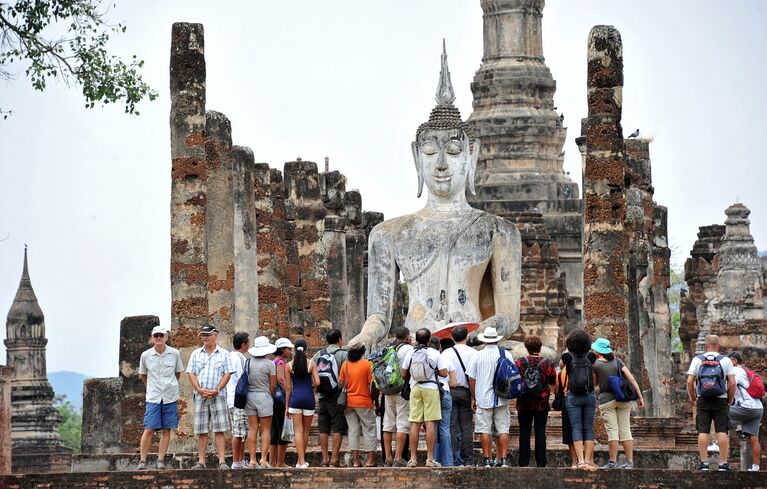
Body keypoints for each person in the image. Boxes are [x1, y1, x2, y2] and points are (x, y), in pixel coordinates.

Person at [186, 325, 235, 470]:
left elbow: (228, 373)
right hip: (201, 396)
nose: (205, 337)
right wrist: (199, 389)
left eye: (207, 334)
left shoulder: (224, 354)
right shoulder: (196, 354)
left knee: (220, 429)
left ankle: (222, 461)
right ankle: (201, 462)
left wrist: (217, 389)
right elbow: (191, 373)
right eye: (203, 335)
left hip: (218, 395)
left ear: (216, 335)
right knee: (201, 430)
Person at [591, 338, 644, 469]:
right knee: (626, 430)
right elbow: (631, 379)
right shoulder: (618, 361)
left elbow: (595, 383)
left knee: (612, 432)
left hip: (606, 400)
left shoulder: (596, 365)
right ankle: (630, 462)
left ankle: (613, 462)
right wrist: (640, 397)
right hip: (623, 399)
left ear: (598, 351)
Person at [137, 325, 184, 470]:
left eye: (161, 336)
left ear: (166, 338)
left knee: (166, 429)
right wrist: (152, 387)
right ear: (152, 338)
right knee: (149, 428)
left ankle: (160, 459)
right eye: (156, 336)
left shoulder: (175, 353)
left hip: (170, 396)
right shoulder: (145, 355)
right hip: (153, 396)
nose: (158, 338)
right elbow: (143, 375)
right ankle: (143, 460)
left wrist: (169, 386)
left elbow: (177, 373)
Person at [686, 334, 736, 471]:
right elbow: (732, 383)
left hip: (703, 399)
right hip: (721, 399)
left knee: (703, 431)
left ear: (706, 346)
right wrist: (730, 399)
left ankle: (704, 463)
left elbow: (690, 381)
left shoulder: (697, 360)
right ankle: (723, 463)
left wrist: (693, 398)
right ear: (718, 346)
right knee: (722, 431)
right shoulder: (726, 360)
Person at [467, 326, 513, 467]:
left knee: (484, 429)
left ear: (484, 340)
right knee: (503, 429)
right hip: (502, 397)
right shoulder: (506, 354)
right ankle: (503, 459)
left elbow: (472, 378)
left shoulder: (478, 355)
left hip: (483, 397)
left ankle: (487, 459)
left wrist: (473, 397)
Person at [401, 328, 448, 467]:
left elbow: (403, 373)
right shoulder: (434, 353)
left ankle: (413, 459)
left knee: (414, 423)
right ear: (429, 340)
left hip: (415, 388)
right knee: (430, 423)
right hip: (431, 388)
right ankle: (430, 459)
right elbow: (444, 373)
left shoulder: (411, 352)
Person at [515, 335, 557, 467]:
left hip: (524, 402)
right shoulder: (547, 363)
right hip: (542, 402)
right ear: (540, 347)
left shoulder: (520, 362)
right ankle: (541, 462)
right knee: (540, 432)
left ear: (526, 348)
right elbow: (552, 380)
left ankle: (523, 462)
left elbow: (515, 380)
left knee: (524, 432)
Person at [560, 329, 597, 470]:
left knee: (576, 427)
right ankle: (588, 460)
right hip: (589, 395)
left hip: (573, 396)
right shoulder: (591, 357)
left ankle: (580, 461)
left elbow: (561, 363)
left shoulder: (568, 358)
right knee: (588, 428)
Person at [441, 324, 477, 466]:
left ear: (452, 338)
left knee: (451, 427)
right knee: (466, 426)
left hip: (450, 391)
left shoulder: (446, 353)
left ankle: (453, 460)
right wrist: (474, 397)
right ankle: (468, 460)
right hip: (467, 391)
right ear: (467, 337)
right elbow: (474, 377)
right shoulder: (474, 353)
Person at [311, 328, 348, 467]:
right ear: (340, 340)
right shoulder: (343, 355)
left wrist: (317, 388)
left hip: (322, 396)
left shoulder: (318, 355)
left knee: (323, 428)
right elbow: (346, 377)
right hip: (337, 397)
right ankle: (334, 459)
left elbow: (312, 373)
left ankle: (325, 458)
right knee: (338, 427)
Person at [338, 345, 378, 467]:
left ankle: (355, 461)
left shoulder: (346, 365)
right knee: (369, 429)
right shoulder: (367, 364)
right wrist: (373, 399)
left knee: (353, 430)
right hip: (364, 401)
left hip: (349, 402)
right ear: (362, 353)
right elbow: (373, 384)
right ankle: (370, 460)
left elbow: (341, 383)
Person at [382, 326, 414, 467]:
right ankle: (398, 457)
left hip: (388, 391)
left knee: (388, 425)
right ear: (407, 337)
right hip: (402, 391)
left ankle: (388, 458)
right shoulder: (408, 349)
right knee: (402, 424)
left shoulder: (390, 348)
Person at [286, 338, 320, 468]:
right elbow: (317, 382)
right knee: (306, 431)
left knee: (297, 431)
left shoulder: (288, 366)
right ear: (306, 350)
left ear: (294, 350)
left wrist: (287, 406)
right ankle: (302, 460)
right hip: (308, 399)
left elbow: (288, 388)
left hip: (295, 399)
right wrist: (311, 386)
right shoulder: (311, 364)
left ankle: (300, 461)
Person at [244, 336, 276, 468]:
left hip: (250, 396)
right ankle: (263, 459)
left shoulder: (248, 362)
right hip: (264, 396)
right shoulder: (270, 364)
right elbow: (273, 386)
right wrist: (270, 396)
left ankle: (252, 460)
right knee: (266, 430)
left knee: (252, 429)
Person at [727, 351, 761, 472]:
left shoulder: (735, 371)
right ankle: (756, 467)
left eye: (728, 361)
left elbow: (731, 385)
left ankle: (716, 444)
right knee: (753, 438)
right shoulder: (746, 371)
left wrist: (727, 401)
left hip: (747, 407)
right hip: (757, 408)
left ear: (734, 361)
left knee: (718, 413)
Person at [226, 331, 250, 469]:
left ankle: (240, 460)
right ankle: (236, 461)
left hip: (231, 398)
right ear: (243, 345)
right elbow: (243, 379)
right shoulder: (240, 358)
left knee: (241, 431)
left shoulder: (230, 356)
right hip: (238, 399)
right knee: (239, 432)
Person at [431, 336, 456, 467]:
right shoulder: (446, 358)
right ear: (439, 347)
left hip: (431, 393)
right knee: (445, 429)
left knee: (432, 428)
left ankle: (434, 459)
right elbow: (454, 382)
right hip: (445, 392)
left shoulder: (425, 357)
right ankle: (448, 461)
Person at [269, 337, 293, 468]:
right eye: (288, 349)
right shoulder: (280, 363)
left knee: (274, 430)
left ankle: (272, 462)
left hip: (273, 401)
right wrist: (289, 391)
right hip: (280, 400)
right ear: (283, 350)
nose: (290, 352)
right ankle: (280, 462)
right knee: (282, 430)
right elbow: (281, 379)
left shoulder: (273, 361)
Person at [555, 359, 577, 467]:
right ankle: (585, 459)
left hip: (566, 400)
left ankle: (574, 461)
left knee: (569, 432)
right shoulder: (579, 369)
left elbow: (557, 390)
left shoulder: (561, 373)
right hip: (578, 400)